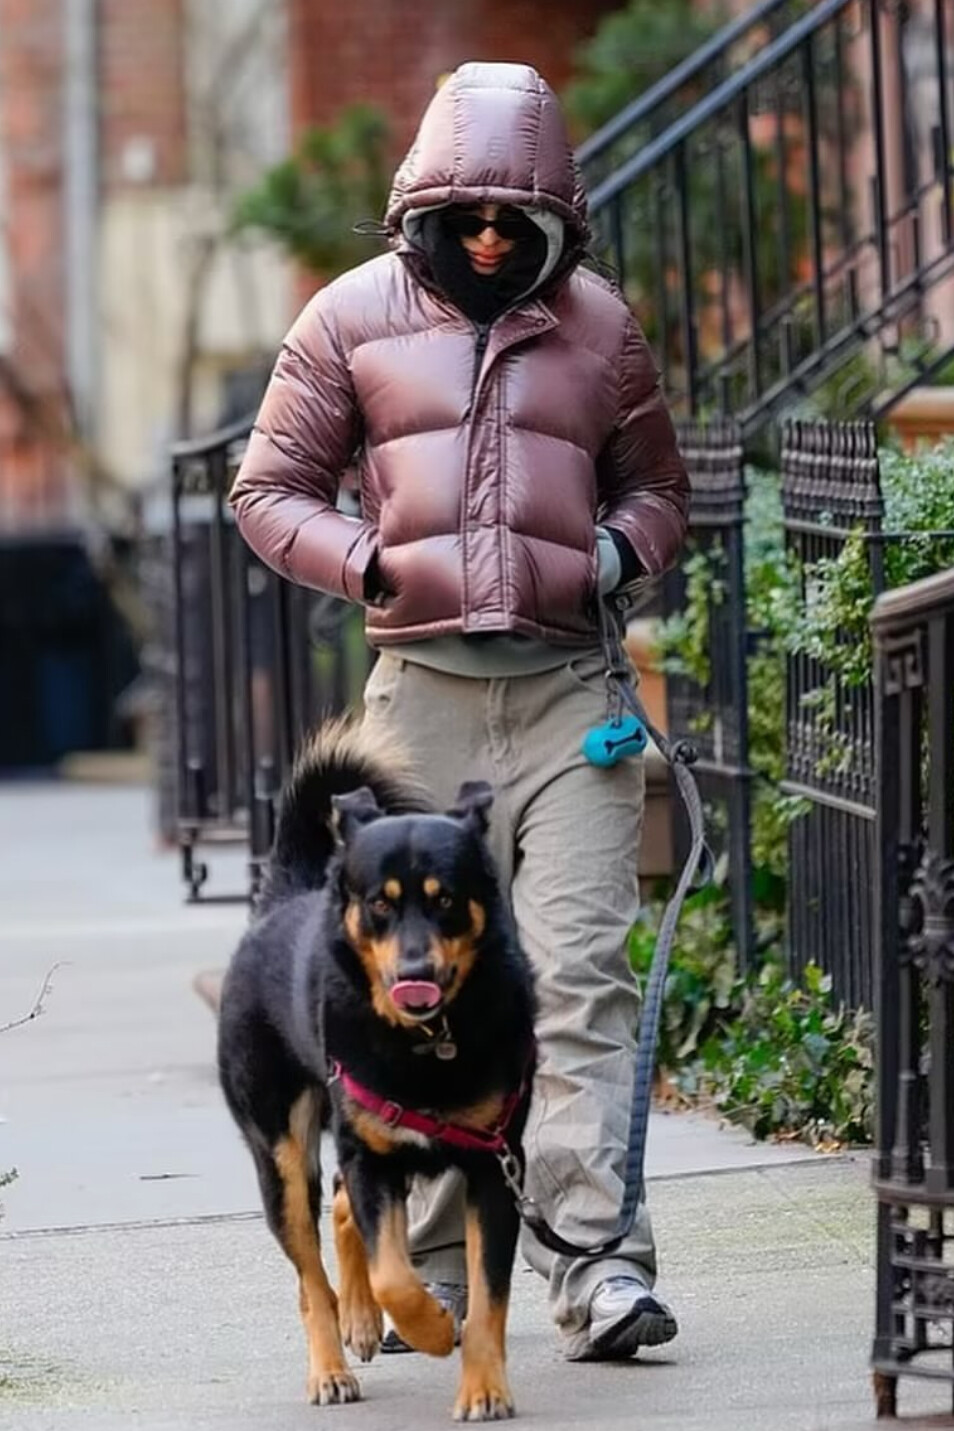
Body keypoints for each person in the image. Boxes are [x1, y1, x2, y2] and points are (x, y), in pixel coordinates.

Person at [230, 60, 690, 1363]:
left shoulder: (599, 327)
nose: (490, 241)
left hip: (568, 703)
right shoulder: (346, 319)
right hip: (415, 711)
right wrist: (366, 561)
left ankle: (597, 1266)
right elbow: (269, 490)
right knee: (404, 996)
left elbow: (656, 494)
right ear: (422, 209)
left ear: (555, 217)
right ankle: (421, 1262)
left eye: (516, 222)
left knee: (579, 981)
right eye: (465, 219)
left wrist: (605, 558)